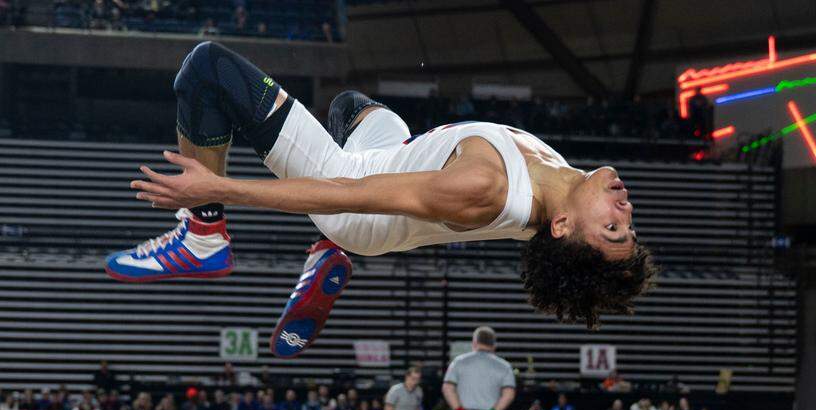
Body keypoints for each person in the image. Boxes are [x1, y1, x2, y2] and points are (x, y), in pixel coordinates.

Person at [105, 42, 656, 359]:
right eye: (627, 227)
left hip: (352, 197)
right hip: (394, 155)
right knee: (350, 106)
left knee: (208, 69)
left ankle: (202, 236)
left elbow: (347, 192)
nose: (625, 212)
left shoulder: (484, 188)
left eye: (613, 230)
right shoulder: (558, 176)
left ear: (560, 226)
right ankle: (326, 250)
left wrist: (217, 190)